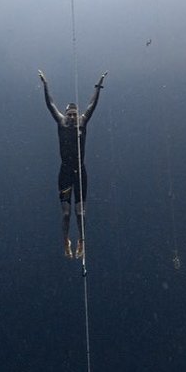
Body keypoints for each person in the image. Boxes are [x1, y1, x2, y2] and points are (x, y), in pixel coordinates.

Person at [38, 69, 108, 259]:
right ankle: (66, 240)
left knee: (80, 213)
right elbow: (50, 104)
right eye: (69, 114)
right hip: (65, 172)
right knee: (66, 213)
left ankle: (81, 242)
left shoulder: (83, 122)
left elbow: (92, 105)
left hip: (80, 172)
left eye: (74, 115)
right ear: (66, 114)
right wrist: (45, 85)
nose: (71, 117)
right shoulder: (61, 123)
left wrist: (98, 85)